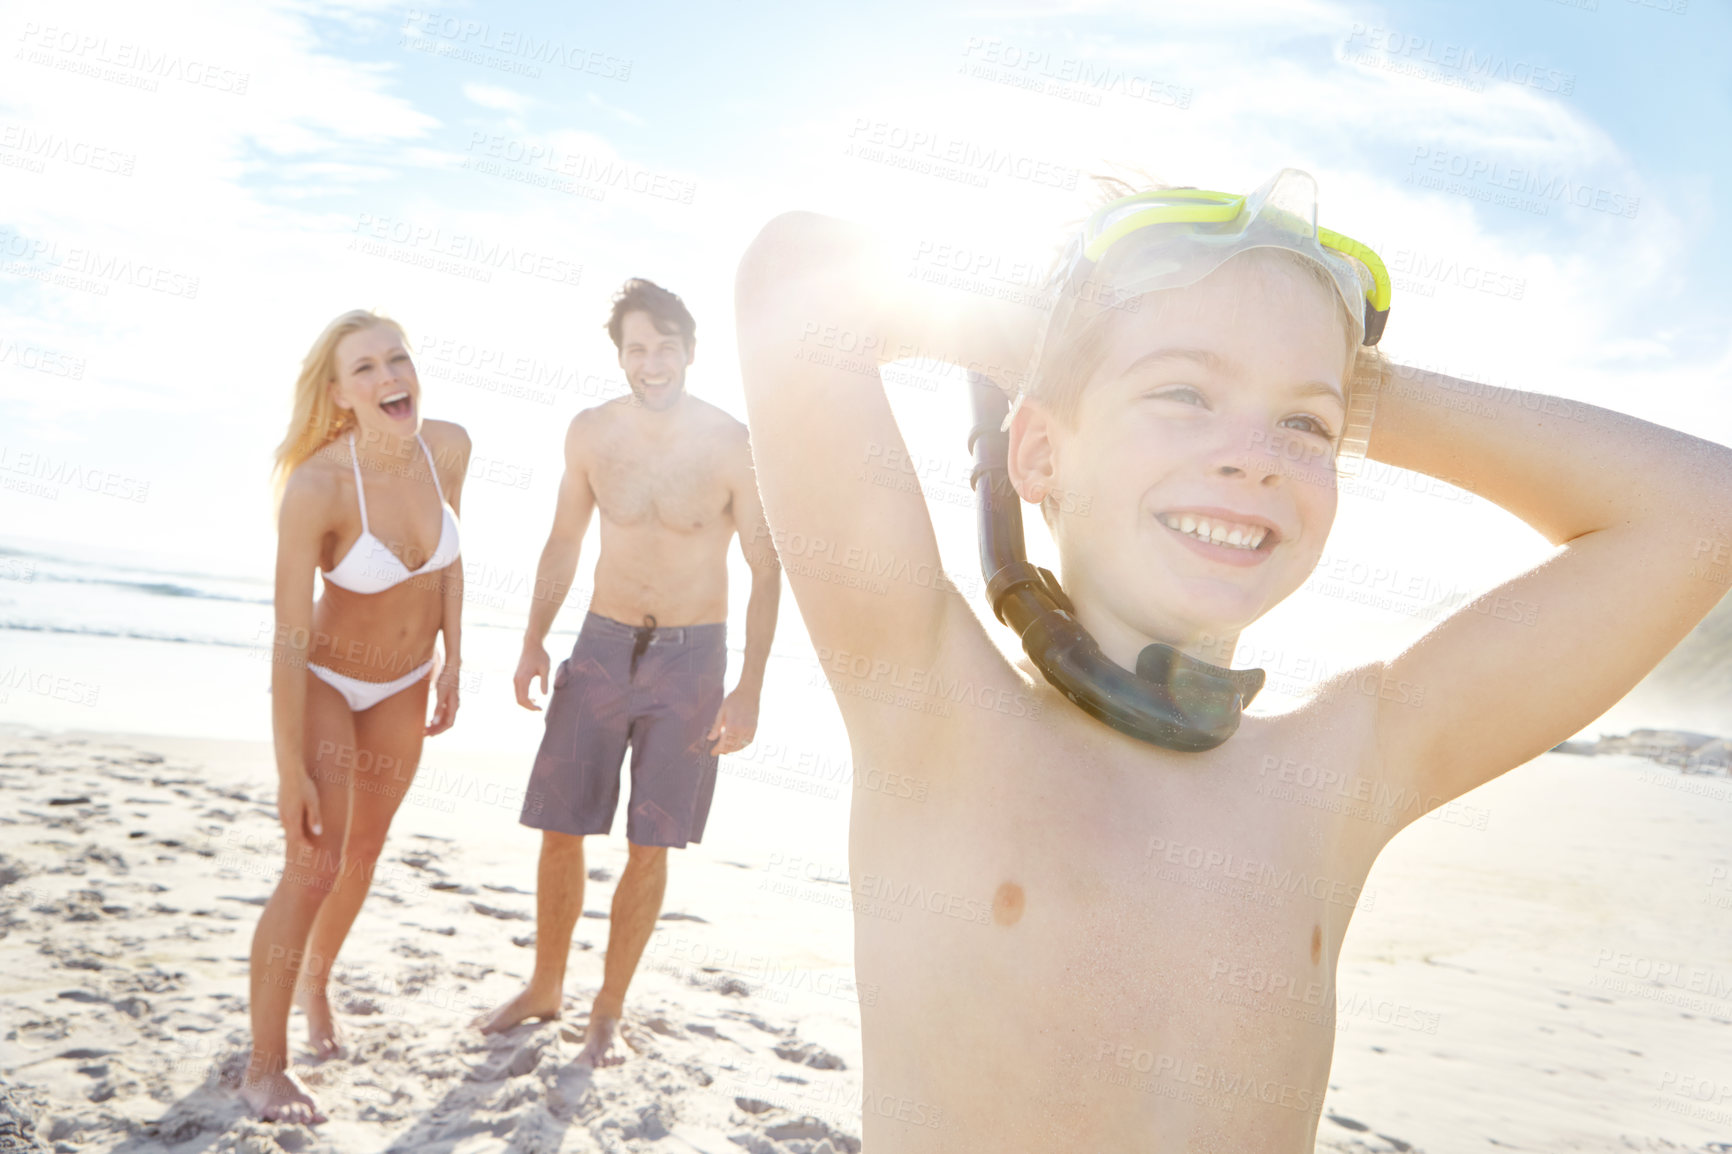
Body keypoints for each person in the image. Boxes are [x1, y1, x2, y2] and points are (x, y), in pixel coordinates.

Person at [731, 170, 1732, 1150]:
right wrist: (1060, 344)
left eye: (1303, 426)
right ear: (1037, 451)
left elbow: (1699, 511)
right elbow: (793, 278)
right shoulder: (935, 707)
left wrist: (1357, 394)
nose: (1253, 454)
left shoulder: (1345, 771)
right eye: (1182, 392)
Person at [476, 279, 781, 1067]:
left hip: (693, 661)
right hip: (602, 647)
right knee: (559, 828)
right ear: (620, 356)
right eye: (635, 349)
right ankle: (546, 986)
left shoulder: (731, 444)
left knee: (653, 844)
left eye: (664, 346)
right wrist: (534, 639)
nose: (651, 363)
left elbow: (765, 565)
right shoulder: (589, 434)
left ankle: (607, 1007)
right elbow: (561, 543)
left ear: (689, 349)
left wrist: (749, 686)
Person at [242, 310, 468, 1124]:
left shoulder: (448, 448)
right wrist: (288, 772)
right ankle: (263, 1068)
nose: (387, 378)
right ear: (338, 396)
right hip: (329, 684)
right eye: (364, 369)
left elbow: (451, 556)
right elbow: (288, 638)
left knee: (364, 852)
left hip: (407, 683)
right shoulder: (318, 487)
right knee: (313, 866)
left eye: (397, 359)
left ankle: (318, 984)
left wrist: (453, 658)